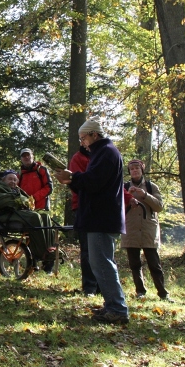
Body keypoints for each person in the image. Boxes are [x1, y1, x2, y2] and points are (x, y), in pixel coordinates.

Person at [55, 118, 129, 325]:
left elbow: (95, 183)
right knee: (100, 263)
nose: (82, 143)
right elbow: (91, 185)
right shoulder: (102, 152)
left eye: (83, 138)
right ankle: (112, 305)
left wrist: (74, 177)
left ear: (94, 135)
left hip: (101, 217)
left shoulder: (107, 153)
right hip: (99, 216)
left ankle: (117, 308)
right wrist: (72, 181)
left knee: (102, 263)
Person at [121, 159, 171, 301]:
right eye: (132, 169)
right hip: (130, 230)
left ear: (142, 170)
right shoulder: (124, 187)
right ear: (129, 171)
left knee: (154, 264)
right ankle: (140, 291)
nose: (135, 171)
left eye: (137, 168)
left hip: (148, 229)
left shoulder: (151, 187)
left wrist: (144, 195)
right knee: (134, 264)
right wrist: (128, 198)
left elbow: (159, 207)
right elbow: (117, 208)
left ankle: (163, 293)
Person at [0, 170, 53, 267]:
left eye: (15, 180)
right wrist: (19, 201)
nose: (13, 181)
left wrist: (22, 201)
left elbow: (26, 200)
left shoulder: (16, 189)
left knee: (45, 215)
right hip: (3, 215)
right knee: (34, 217)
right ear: (4, 179)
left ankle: (50, 249)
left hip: (16, 213)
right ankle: (41, 252)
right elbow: (0, 201)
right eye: (10, 179)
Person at [18, 147, 55, 273]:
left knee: (46, 235)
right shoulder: (20, 174)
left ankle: (48, 264)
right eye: (24, 156)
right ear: (21, 159)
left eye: (28, 155)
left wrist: (34, 198)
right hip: (28, 210)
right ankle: (33, 263)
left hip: (42, 208)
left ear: (32, 156)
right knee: (30, 235)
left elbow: (49, 188)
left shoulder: (41, 170)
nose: (26, 158)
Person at [69, 145, 99, 296]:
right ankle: (89, 287)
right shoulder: (78, 158)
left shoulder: (99, 155)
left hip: (99, 206)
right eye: (82, 139)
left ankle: (101, 285)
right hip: (82, 205)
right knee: (87, 248)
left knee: (100, 248)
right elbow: (76, 182)